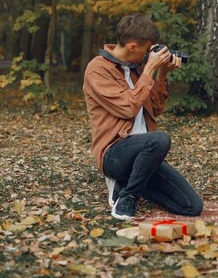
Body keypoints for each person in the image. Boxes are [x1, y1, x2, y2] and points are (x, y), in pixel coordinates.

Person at [83, 14, 203, 220]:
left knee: (192, 206)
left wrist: (162, 73)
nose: (149, 55)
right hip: (114, 153)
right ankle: (128, 197)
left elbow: (155, 109)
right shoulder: (98, 69)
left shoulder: (137, 69)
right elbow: (128, 108)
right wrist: (149, 69)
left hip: (143, 156)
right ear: (131, 47)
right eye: (147, 49)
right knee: (160, 139)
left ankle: (126, 184)